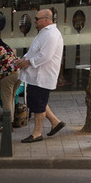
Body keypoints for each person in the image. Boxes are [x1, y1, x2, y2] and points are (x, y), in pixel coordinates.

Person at [18, 9, 66, 143]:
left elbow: (45, 55)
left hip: (43, 76)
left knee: (38, 105)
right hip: (36, 76)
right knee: (37, 101)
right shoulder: (44, 33)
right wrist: (23, 60)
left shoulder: (51, 34)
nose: (35, 22)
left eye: (37, 19)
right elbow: (34, 51)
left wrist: (28, 62)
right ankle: (55, 122)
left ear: (46, 20)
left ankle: (37, 133)